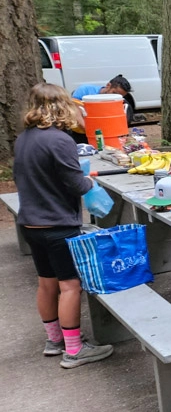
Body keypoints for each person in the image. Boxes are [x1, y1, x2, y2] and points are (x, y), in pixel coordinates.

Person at [14, 83, 114, 369]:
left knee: (46, 283)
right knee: (70, 286)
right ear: (61, 106)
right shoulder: (59, 140)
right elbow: (76, 185)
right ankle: (74, 349)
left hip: (30, 223)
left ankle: (54, 340)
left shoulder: (24, 139)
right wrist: (89, 181)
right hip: (57, 224)